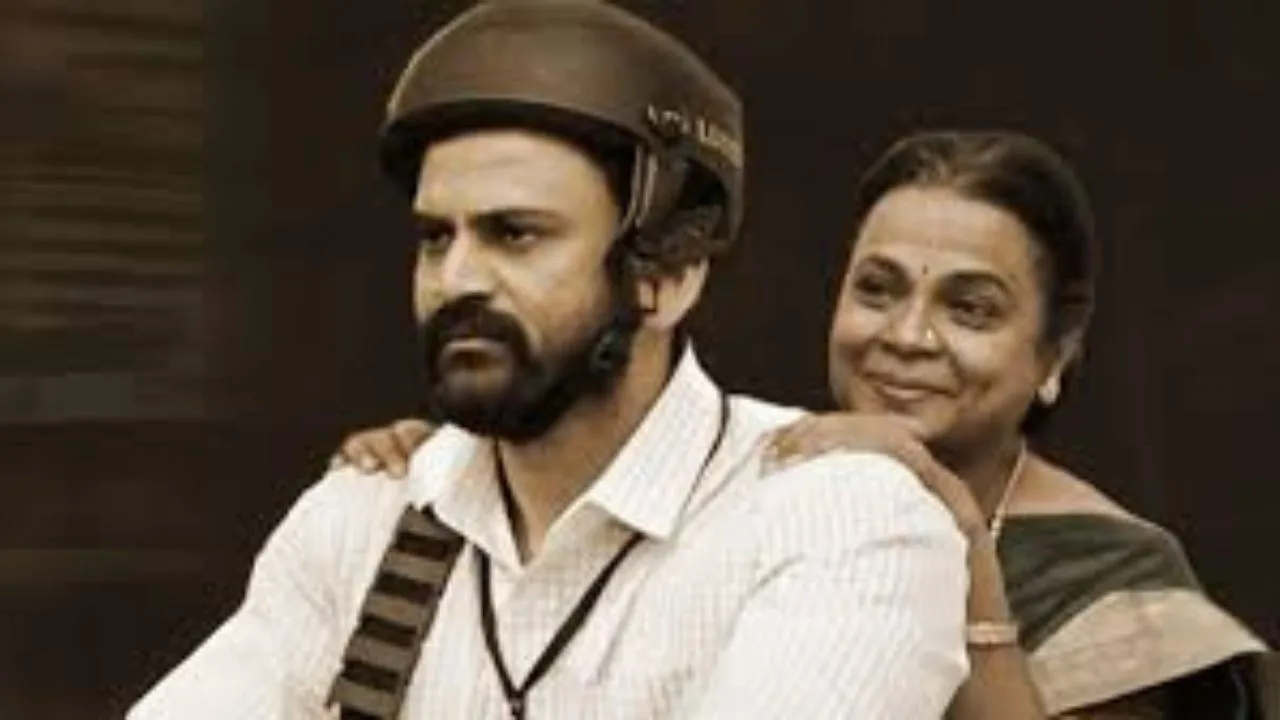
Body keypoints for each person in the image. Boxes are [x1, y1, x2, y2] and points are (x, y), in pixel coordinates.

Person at [130, 3, 975, 718]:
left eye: (515, 235)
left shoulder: (833, 520)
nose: (456, 279)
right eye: (436, 237)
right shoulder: (365, 519)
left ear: (667, 276)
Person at [334, 130, 1274, 717]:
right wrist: (469, 472)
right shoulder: (760, 492)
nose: (907, 336)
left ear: (1055, 357)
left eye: (971, 308)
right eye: (878, 289)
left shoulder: (1117, 591)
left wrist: (961, 543)